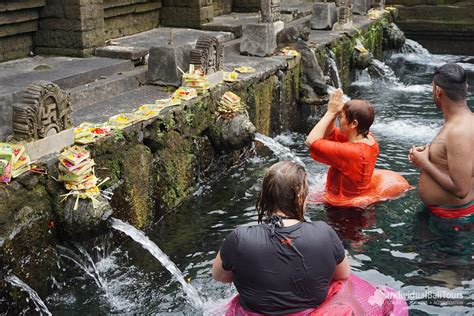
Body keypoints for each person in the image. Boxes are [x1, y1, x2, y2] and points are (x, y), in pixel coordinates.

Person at [212, 161, 350, 314]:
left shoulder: (239, 238)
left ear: (264, 196)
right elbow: (343, 274)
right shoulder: (325, 233)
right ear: (299, 197)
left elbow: (220, 276)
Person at [409, 63, 474, 218]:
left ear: (438, 91)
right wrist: (430, 155)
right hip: (449, 215)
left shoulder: (459, 132)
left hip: (450, 222)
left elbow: (461, 189)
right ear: (466, 88)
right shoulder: (464, 122)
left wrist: (424, 163)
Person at [305, 89, 379, 203]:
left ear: (354, 123)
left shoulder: (352, 152)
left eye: (341, 117)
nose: (339, 120)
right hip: (357, 202)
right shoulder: (368, 138)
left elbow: (311, 141)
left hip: (345, 211)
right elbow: (331, 133)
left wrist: (330, 113)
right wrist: (335, 114)